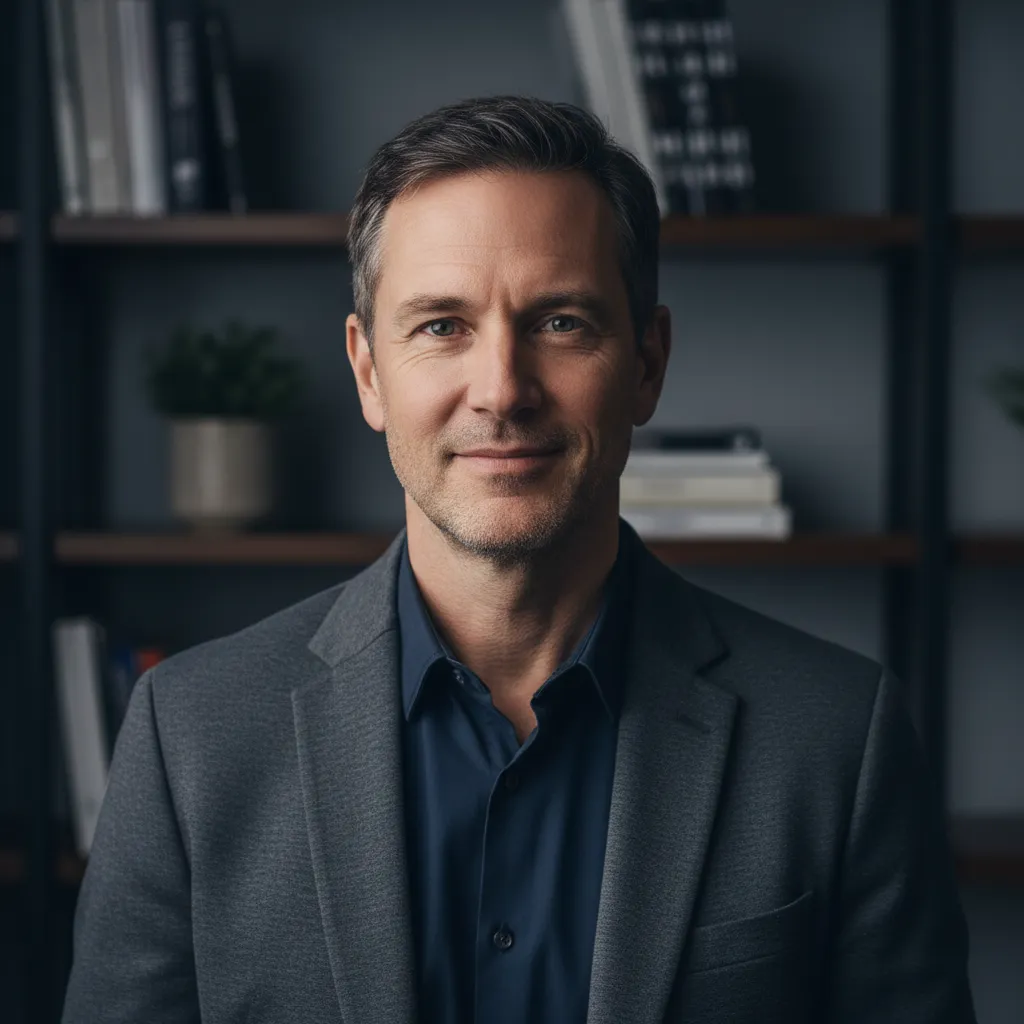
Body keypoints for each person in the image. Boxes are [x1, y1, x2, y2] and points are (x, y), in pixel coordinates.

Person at [61, 95, 976, 1024]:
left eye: (562, 322)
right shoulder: (191, 739)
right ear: (369, 371)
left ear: (648, 362)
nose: (501, 390)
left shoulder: (834, 740)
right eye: (440, 326)